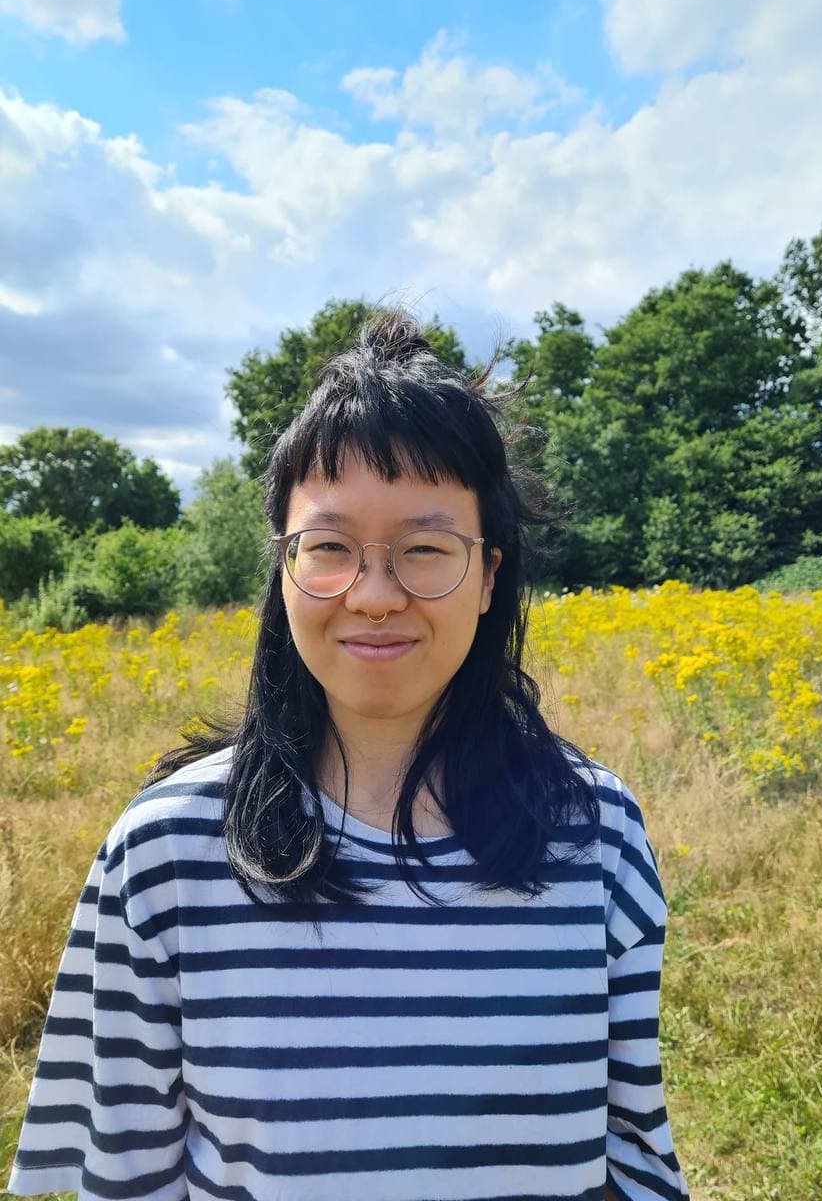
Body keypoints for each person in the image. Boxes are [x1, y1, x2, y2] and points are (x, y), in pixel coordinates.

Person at [7, 310, 690, 1201]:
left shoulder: (595, 835)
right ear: (283, 568)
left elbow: (633, 1163)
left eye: (424, 549)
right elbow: (127, 1178)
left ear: (489, 575)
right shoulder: (163, 852)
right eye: (329, 548)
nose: (373, 595)